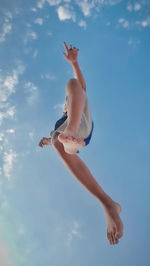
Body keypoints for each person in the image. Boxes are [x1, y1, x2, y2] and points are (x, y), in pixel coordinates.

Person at [39, 42, 123, 245]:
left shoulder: (78, 104)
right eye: (66, 106)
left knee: (72, 84)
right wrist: (51, 141)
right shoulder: (62, 120)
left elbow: (80, 87)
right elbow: (58, 135)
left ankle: (71, 137)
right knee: (58, 140)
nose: (65, 106)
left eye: (66, 104)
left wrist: (75, 64)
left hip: (80, 128)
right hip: (74, 137)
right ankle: (107, 203)